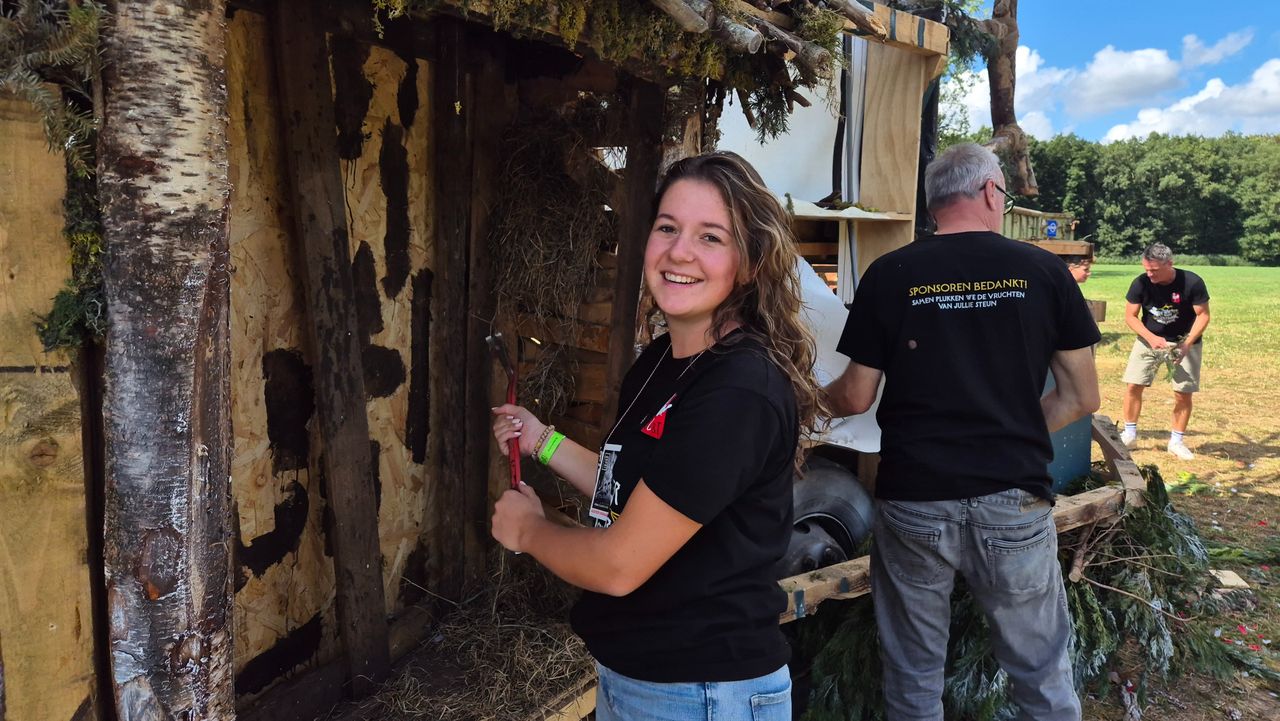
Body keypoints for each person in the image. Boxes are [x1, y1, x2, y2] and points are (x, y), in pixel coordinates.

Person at [489, 151, 823, 721]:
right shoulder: (662, 361)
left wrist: (532, 531)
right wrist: (541, 440)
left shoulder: (738, 390)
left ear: (748, 264)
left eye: (711, 237)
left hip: (702, 693)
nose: (679, 252)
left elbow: (619, 564)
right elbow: (640, 490)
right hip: (645, 680)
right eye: (667, 228)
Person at [824, 143, 1100, 721]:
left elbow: (854, 396)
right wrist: (1015, 432)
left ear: (933, 205)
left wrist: (801, 405)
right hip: (1014, 501)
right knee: (1042, 671)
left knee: (913, 672)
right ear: (990, 194)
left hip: (915, 500)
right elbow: (1082, 397)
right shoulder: (1044, 271)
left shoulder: (893, 272)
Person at [1119, 242, 1211, 460]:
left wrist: (1187, 343)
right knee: (1134, 384)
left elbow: (1203, 315)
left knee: (1182, 392)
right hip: (1148, 340)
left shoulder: (1192, 282)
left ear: (1170, 263)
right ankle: (1129, 434)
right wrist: (1151, 338)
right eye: (1146, 269)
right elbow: (1130, 316)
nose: (1149, 274)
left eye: (1154, 270)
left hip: (1184, 341)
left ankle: (1177, 442)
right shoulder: (1141, 283)